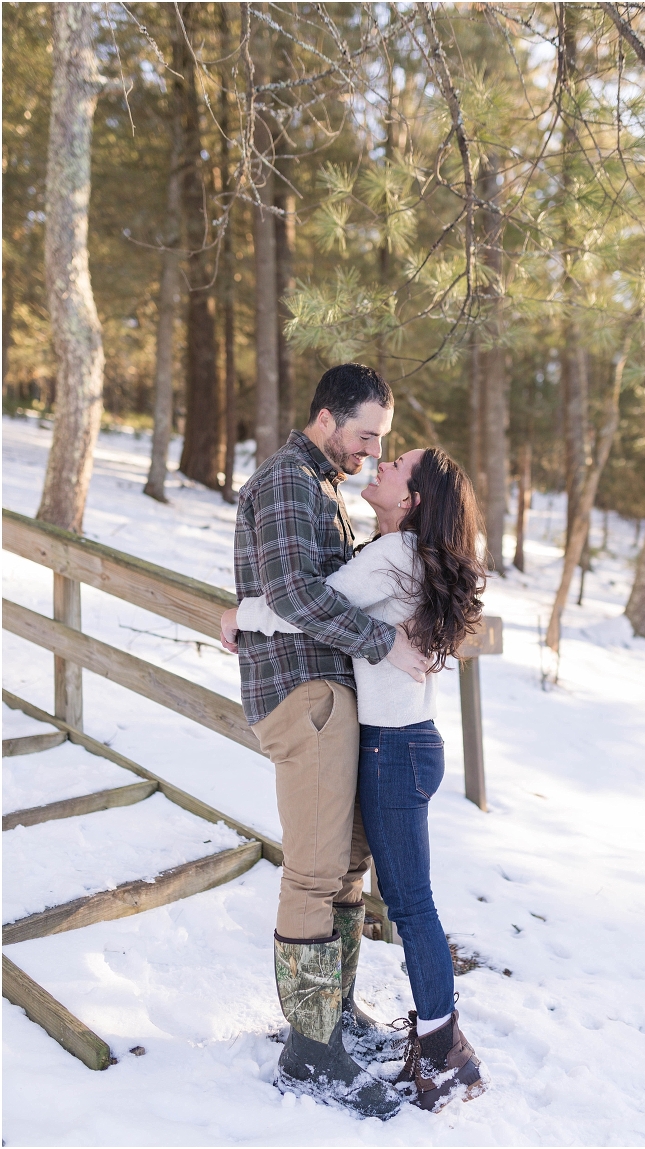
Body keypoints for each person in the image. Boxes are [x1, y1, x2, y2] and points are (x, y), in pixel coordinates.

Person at [234, 445, 489, 1113]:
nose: (380, 463)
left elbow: (306, 606)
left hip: (391, 750)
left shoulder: (393, 556)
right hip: (406, 746)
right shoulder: (406, 554)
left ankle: (443, 1054)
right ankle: (353, 1025)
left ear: (413, 500)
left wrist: (240, 617)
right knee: (383, 890)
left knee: (409, 904)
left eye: (395, 463)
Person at [220, 364, 429, 1121]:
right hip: (302, 693)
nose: (372, 450)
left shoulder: (323, 490)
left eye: (382, 440)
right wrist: (383, 643)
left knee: (345, 864)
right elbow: (294, 594)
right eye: (365, 433)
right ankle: (308, 1049)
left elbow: (309, 587)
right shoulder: (287, 481)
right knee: (313, 870)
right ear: (325, 417)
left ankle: (330, 1015)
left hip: (328, 691)